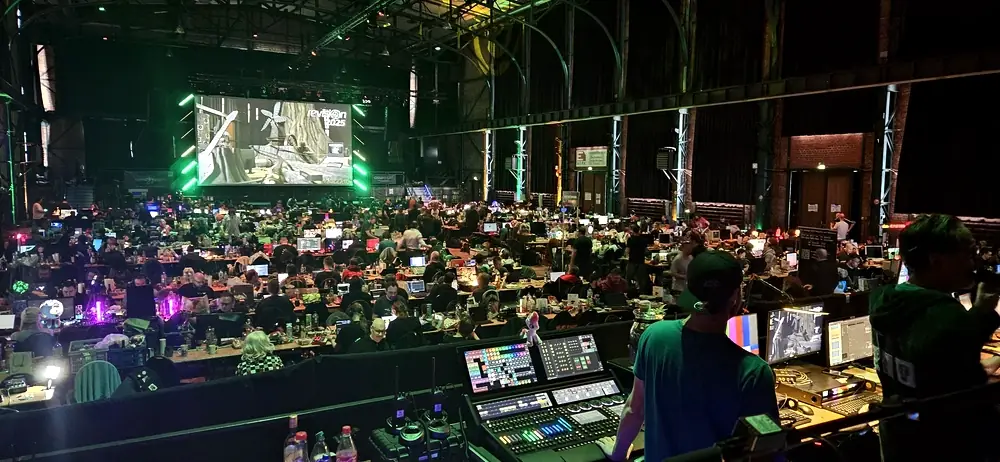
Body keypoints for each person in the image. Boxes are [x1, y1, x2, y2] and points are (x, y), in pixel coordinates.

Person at [601, 250, 777, 461]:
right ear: (735, 298)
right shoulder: (755, 372)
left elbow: (634, 409)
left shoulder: (654, 336)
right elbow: (767, 450)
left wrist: (618, 454)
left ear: (687, 290)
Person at [869, 214, 1000, 462]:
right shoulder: (944, 315)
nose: (974, 263)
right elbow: (968, 390)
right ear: (936, 261)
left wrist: (979, 315)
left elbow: (936, 361)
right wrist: (983, 313)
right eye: (967, 254)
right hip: (946, 444)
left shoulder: (884, 300)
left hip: (900, 437)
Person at [625, 226, 648, 293]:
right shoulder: (644, 240)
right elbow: (646, 251)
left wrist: (626, 256)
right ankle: (641, 292)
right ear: (639, 231)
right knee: (641, 279)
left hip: (632, 260)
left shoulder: (630, 239)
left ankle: (629, 292)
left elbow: (627, 250)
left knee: (628, 277)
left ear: (632, 231)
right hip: (641, 261)